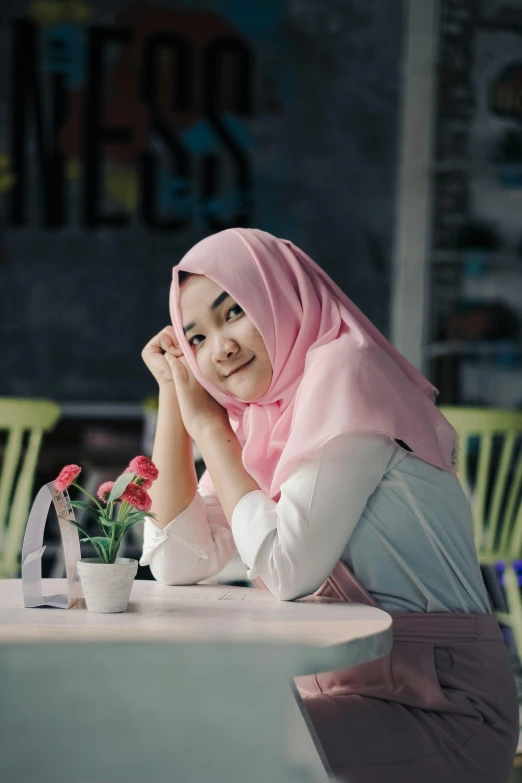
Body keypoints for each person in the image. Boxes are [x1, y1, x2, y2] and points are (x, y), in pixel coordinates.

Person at [140, 227, 519, 782]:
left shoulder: (347, 371)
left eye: (234, 312)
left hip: (441, 703)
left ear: (280, 294)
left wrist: (209, 429)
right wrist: (174, 398)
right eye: (195, 339)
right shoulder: (262, 422)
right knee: (180, 731)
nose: (220, 348)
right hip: (343, 686)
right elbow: (175, 561)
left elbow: (285, 566)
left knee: (216, 748)